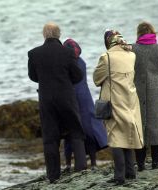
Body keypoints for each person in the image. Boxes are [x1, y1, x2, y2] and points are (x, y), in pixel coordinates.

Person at [27, 22, 86, 183]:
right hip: (66, 98)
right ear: (59, 35)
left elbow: (33, 77)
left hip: (46, 99)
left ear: (44, 35)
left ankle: (53, 175)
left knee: (50, 137)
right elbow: (77, 76)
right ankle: (81, 169)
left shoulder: (34, 53)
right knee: (75, 131)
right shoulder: (68, 53)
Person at [93, 30, 144, 185]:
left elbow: (97, 79)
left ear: (108, 41)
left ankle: (119, 177)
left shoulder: (106, 57)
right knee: (128, 135)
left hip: (114, 102)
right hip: (130, 100)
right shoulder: (132, 55)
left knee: (115, 138)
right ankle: (131, 172)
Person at [63, 39, 108, 171]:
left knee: (69, 133)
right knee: (89, 131)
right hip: (85, 99)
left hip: (71, 99)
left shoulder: (67, 63)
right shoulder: (82, 62)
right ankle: (93, 163)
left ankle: (67, 164)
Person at [132, 22, 158, 171]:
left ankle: (140, 164)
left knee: (139, 129)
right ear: (153, 32)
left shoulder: (133, 49)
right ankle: (155, 163)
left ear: (139, 33)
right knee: (156, 129)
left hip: (137, 93)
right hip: (155, 93)